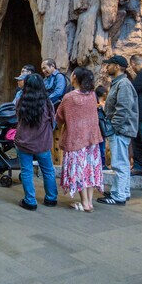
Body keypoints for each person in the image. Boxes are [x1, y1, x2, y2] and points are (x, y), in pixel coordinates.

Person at [56, 67, 104, 212]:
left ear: (75, 77)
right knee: (90, 170)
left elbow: (59, 117)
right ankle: (89, 202)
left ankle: (84, 203)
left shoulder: (69, 97)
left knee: (79, 170)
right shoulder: (92, 95)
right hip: (92, 139)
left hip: (76, 140)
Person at [97, 55, 138, 206]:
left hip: (120, 130)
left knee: (119, 163)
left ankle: (118, 195)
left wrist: (113, 127)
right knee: (123, 163)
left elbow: (123, 109)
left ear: (117, 66)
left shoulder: (124, 84)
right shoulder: (118, 83)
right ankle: (122, 191)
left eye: (110, 65)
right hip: (120, 129)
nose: (107, 67)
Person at [14, 74, 58, 211]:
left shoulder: (21, 100)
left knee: (26, 171)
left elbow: (17, 118)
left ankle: (30, 200)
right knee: (48, 171)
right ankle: (51, 198)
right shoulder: (47, 103)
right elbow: (53, 122)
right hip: (42, 143)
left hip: (23, 142)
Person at [95, 85, 110, 170]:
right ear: (104, 94)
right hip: (101, 130)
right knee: (101, 148)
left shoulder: (95, 104)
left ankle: (101, 164)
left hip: (98, 130)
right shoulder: (100, 105)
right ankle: (102, 165)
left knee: (100, 148)